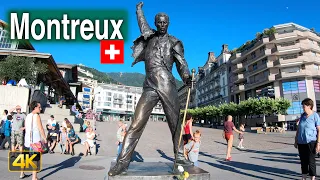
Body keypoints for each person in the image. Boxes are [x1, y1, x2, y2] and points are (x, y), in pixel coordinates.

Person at [108, 2, 193, 176]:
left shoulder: (174, 42)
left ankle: (180, 156)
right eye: (159, 22)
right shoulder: (149, 36)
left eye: (165, 22)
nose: (162, 25)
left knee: (175, 123)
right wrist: (138, 10)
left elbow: (182, 64)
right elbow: (142, 24)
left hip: (167, 85)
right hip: (149, 86)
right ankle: (122, 163)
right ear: (156, 23)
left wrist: (186, 77)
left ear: (168, 23)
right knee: (136, 123)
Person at [294, 98, 320, 180]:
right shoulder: (302, 116)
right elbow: (299, 129)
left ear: (309, 106)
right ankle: (304, 178)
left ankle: (312, 178)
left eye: (304, 105)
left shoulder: (315, 115)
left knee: (311, 161)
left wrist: (318, 144)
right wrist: (296, 140)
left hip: (311, 142)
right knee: (303, 161)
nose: (302, 107)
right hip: (301, 142)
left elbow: (319, 130)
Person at [22, 101, 47, 180]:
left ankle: (21, 173)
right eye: (39, 107)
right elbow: (40, 128)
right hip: (35, 141)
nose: (40, 108)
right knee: (35, 159)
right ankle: (34, 177)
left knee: (25, 158)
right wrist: (45, 138)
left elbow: (26, 128)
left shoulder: (28, 116)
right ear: (35, 108)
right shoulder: (37, 116)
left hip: (27, 140)